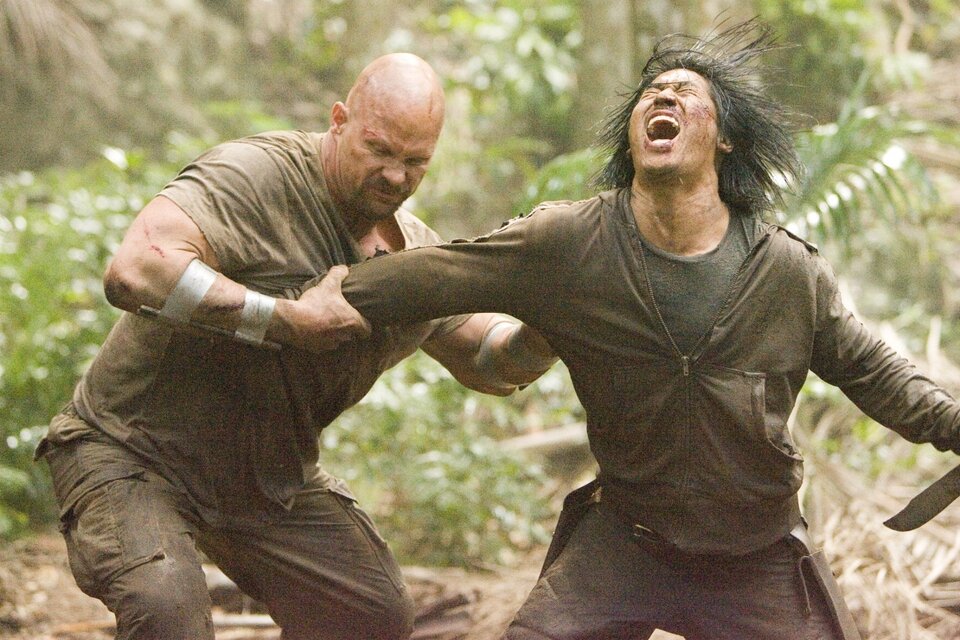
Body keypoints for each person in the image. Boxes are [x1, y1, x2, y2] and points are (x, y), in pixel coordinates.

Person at [338, 21, 960, 640]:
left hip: (756, 557)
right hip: (625, 543)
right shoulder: (570, 243)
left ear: (725, 139)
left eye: (687, 92)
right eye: (652, 92)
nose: (664, 96)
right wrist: (317, 295)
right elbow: (440, 275)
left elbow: (871, 370)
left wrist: (952, 425)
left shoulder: (785, 271)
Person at [35, 52, 555, 640]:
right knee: (167, 611)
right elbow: (134, 271)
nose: (394, 176)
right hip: (130, 450)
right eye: (379, 150)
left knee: (369, 613)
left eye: (415, 162)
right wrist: (284, 319)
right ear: (339, 121)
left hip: (261, 479)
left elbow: (488, 361)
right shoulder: (257, 176)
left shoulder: (413, 256)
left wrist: (549, 330)